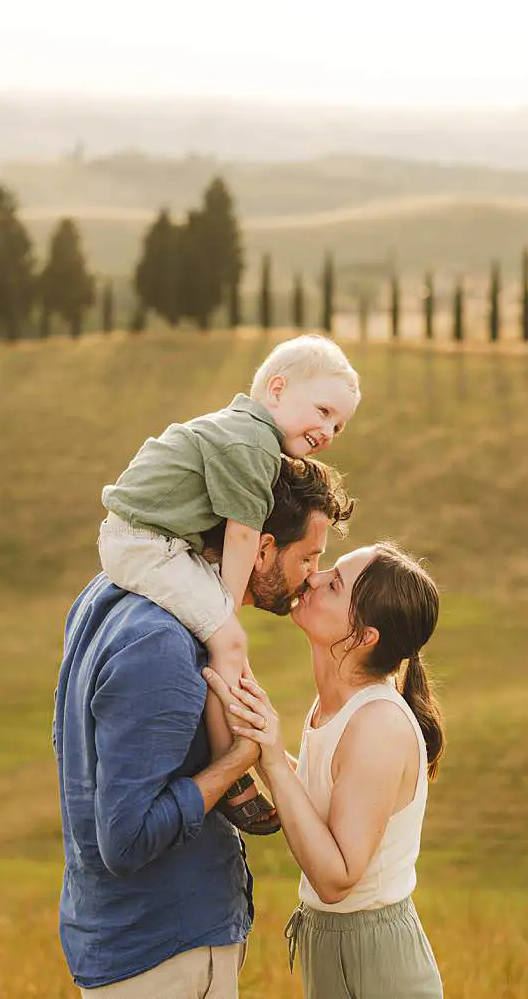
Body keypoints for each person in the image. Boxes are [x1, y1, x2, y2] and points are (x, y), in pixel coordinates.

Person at [55, 456, 355, 997]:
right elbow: (126, 841)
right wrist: (239, 760)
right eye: (309, 556)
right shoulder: (163, 642)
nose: (313, 575)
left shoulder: (108, 588)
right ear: (262, 549)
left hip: (124, 938)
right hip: (165, 951)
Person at [98, 333, 361, 832]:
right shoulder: (252, 444)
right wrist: (225, 613)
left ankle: (245, 751)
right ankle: (233, 770)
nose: (328, 430)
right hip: (145, 542)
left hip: (151, 539)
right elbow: (242, 535)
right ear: (277, 390)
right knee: (228, 639)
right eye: (323, 411)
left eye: (338, 424)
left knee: (227, 646)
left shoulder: (244, 431)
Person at [206, 542, 446, 999]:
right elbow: (319, 801)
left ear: (363, 636)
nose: (313, 578)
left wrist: (272, 757)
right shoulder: (332, 707)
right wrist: (258, 734)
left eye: (334, 583)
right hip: (340, 948)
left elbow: (336, 878)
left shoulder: (378, 725)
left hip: (376, 963)